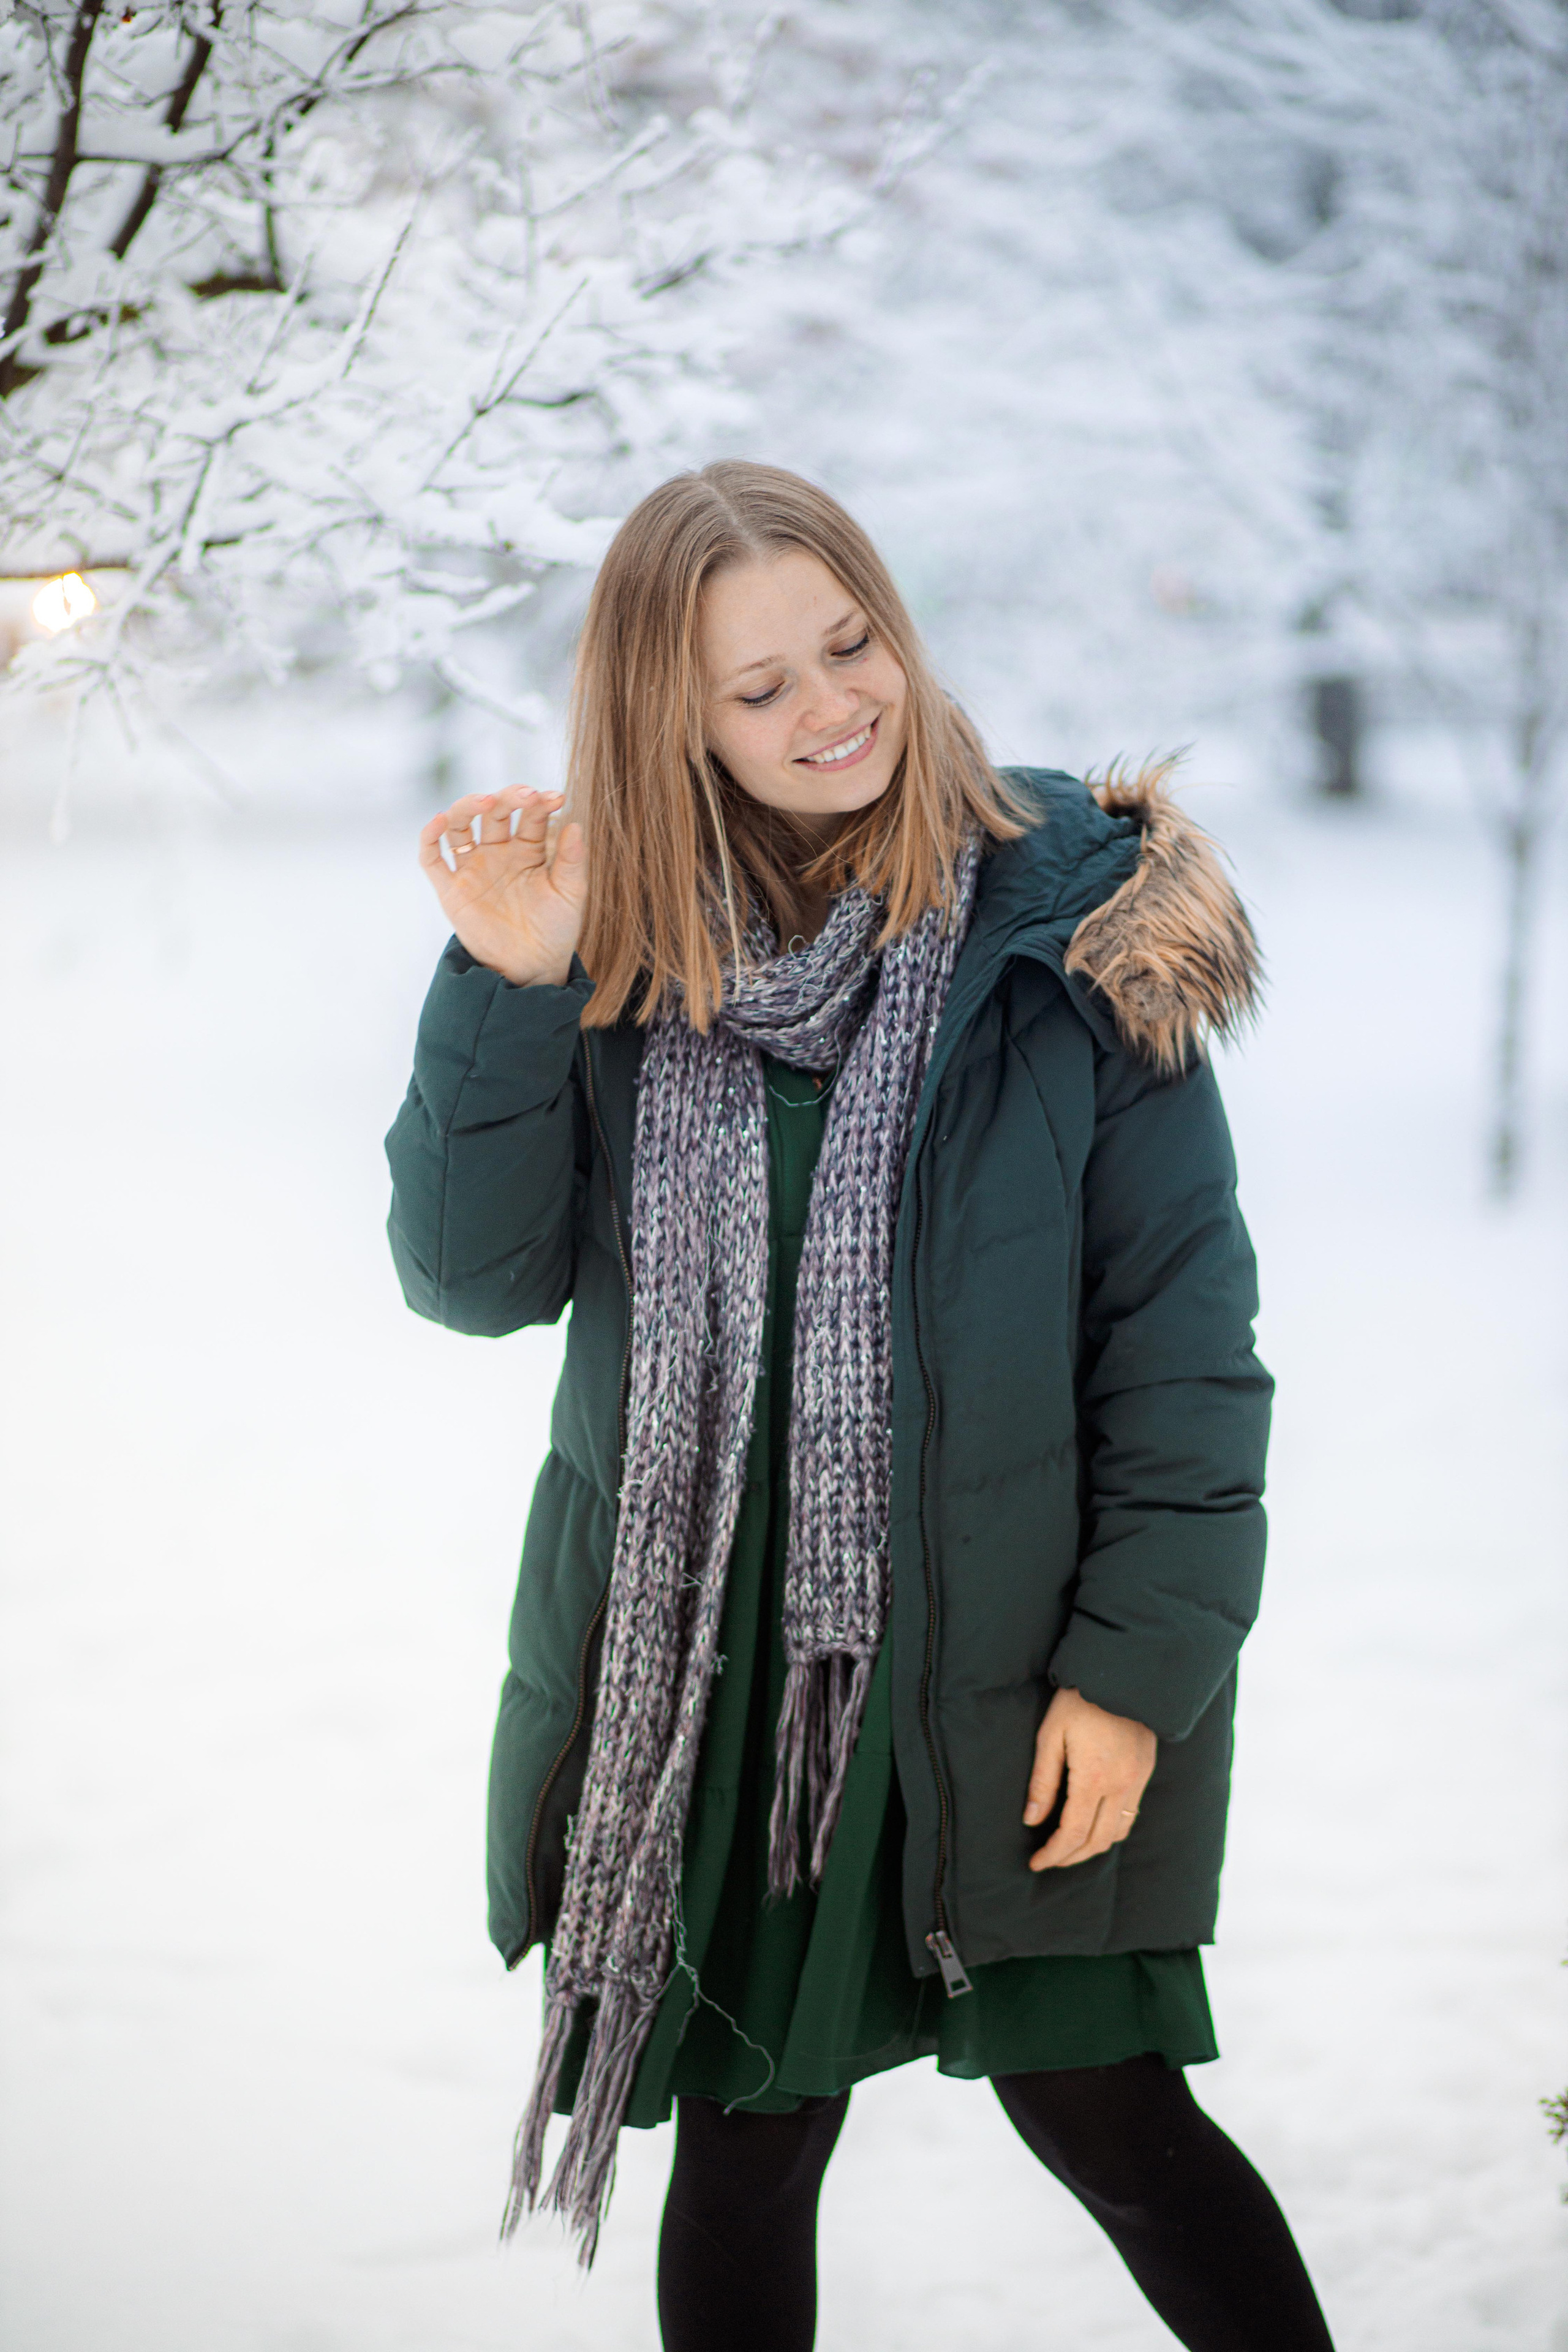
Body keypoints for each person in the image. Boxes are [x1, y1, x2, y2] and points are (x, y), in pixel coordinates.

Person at [385, 461, 1335, 2351]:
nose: (834, 706)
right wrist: (508, 978)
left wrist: (1139, 1672)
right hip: (725, 1693)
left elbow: (1183, 1351)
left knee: (1113, 2112)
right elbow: (470, 1281)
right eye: (760, 688)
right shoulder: (610, 959)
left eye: (852, 642)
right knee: (749, 2140)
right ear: (671, 717)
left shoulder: (1073, 934)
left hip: (1006, 1662)